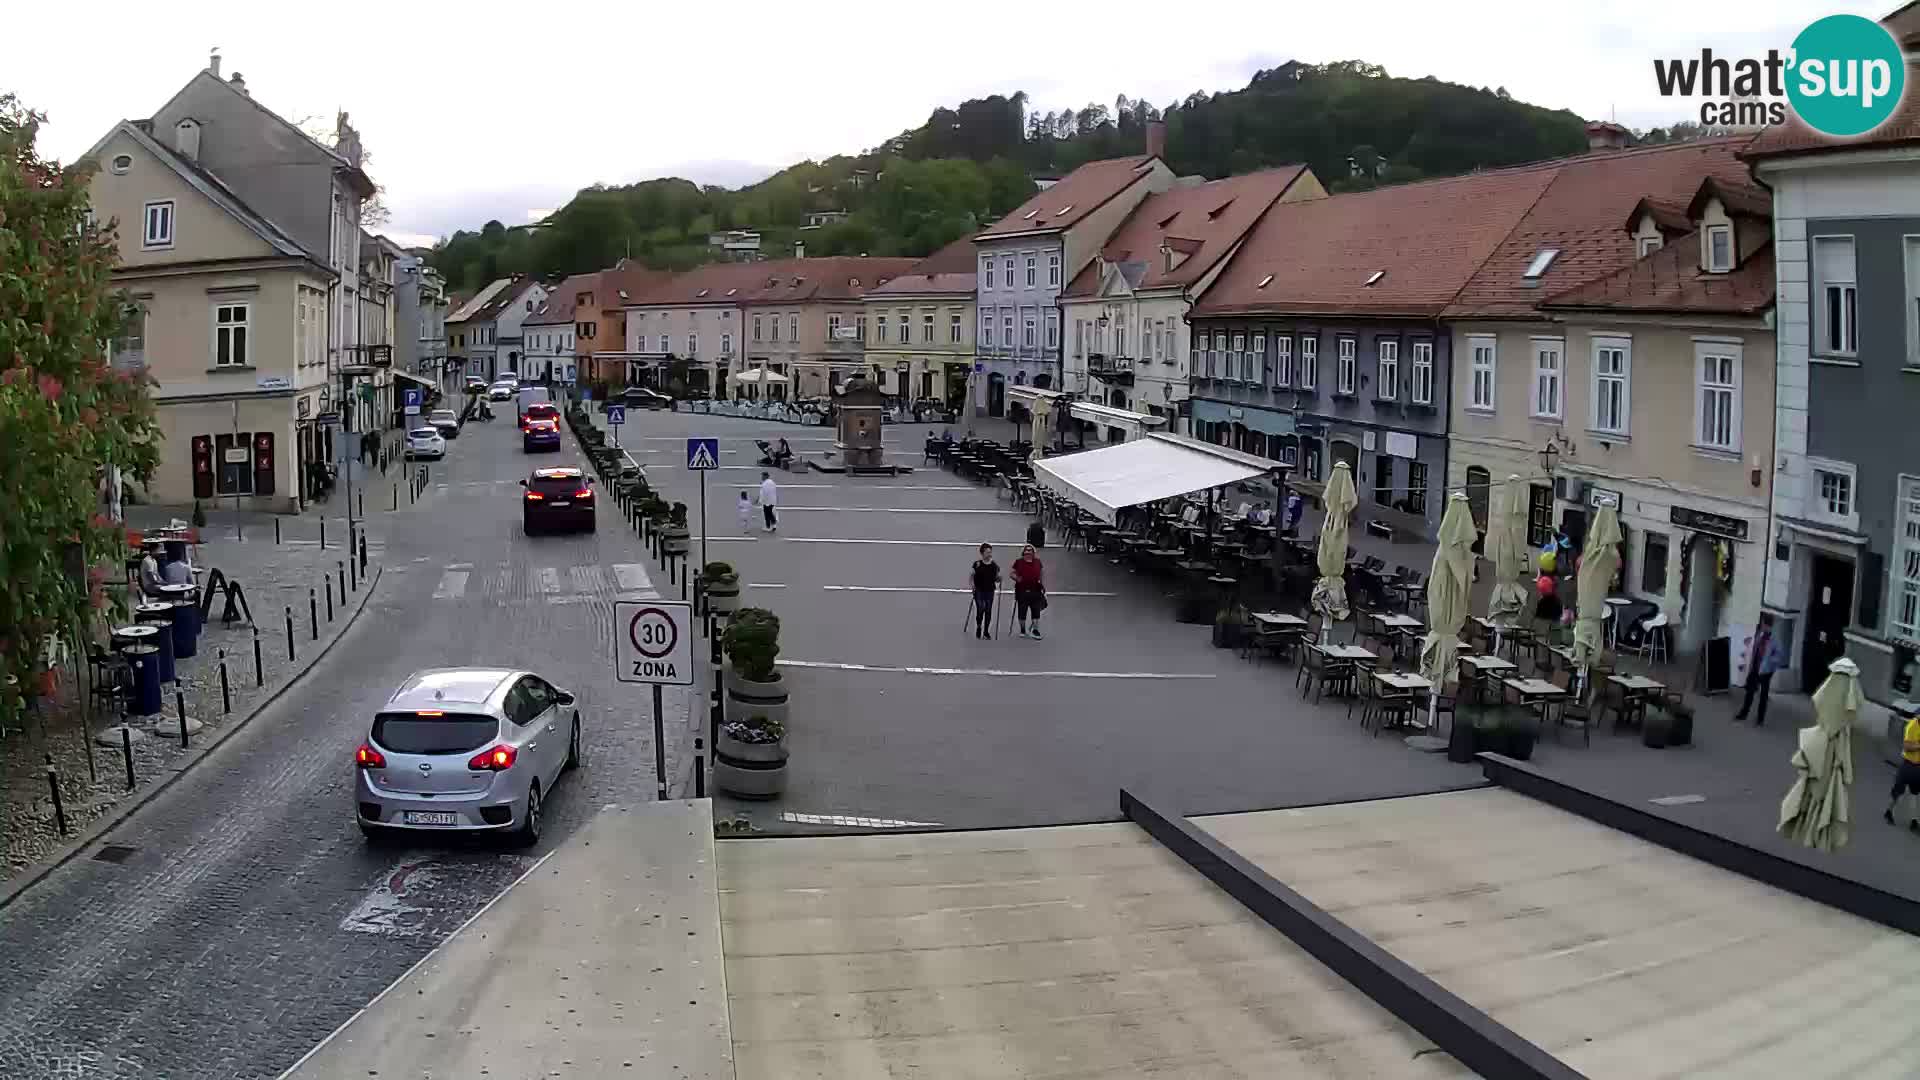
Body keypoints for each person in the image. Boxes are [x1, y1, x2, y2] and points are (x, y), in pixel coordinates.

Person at [1734, 614, 1788, 725]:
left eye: (1763, 623)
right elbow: (1754, 649)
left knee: (1763, 696)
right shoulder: (1760, 635)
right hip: (1755, 668)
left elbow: (1780, 656)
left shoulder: (1774, 640)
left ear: (1766, 624)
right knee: (1749, 693)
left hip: (1766, 672)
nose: (1761, 625)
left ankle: (1760, 719)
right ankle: (1743, 714)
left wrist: (1769, 662)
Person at [1886, 709, 1920, 834]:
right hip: (1908, 765)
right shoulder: (1912, 726)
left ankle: (1914, 821)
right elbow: (1906, 746)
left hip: (1918, 767)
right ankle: (1889, 812)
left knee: (1915, 793)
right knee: (1898, 791)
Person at [1011, 545, 1047, 639]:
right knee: (1022, 612)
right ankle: (1022, 629)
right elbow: (1012, 573)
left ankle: (1035, 630)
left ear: (1033, 552)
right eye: (1026, 551)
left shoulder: (1038, 562)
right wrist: (1017, 578)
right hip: (1022, 591)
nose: (1028, 552)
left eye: (1030, 551)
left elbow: (1041, 573)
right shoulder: (1018, 562)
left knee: (1036, 612)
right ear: (1023, 552)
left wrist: (1042, 585)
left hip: (1036, 590)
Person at [969, 543, 1000, 639]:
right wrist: (972, 586)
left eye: (990, 552)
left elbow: (996, 578)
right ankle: (979, 626)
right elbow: (972, 577)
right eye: (987, 552)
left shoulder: (994, 565)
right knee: (980, 608)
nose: (989, 554)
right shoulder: (977, 564)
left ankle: (986, 630)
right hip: (979, 590)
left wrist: (999, 578)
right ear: (982, 553)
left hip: (990, 590)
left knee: (988, 610)